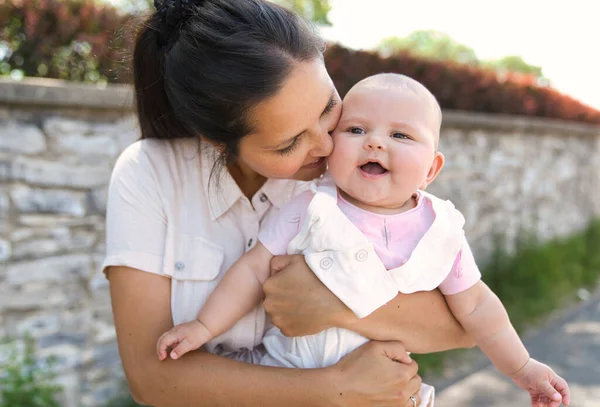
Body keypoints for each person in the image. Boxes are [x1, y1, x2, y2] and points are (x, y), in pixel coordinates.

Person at [103, 1, 475, 406]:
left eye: (328, 109)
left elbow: (462, 324)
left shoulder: (355, 174)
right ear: (216, 141)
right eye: (290, 143)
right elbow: (149, 377)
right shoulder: (150, 176)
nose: (328, 144)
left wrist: (337, 304)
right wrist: (333, 389)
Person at [156, 73, 572, 407]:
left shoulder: (440, 231)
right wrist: (203, 326)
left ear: (432, 169)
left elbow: (477, 306)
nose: (375, 141)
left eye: (401, 136)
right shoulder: (311, 207)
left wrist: (522, 369)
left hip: (382, 391)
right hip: (287, 376)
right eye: (356, 129)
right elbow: (252, 269)